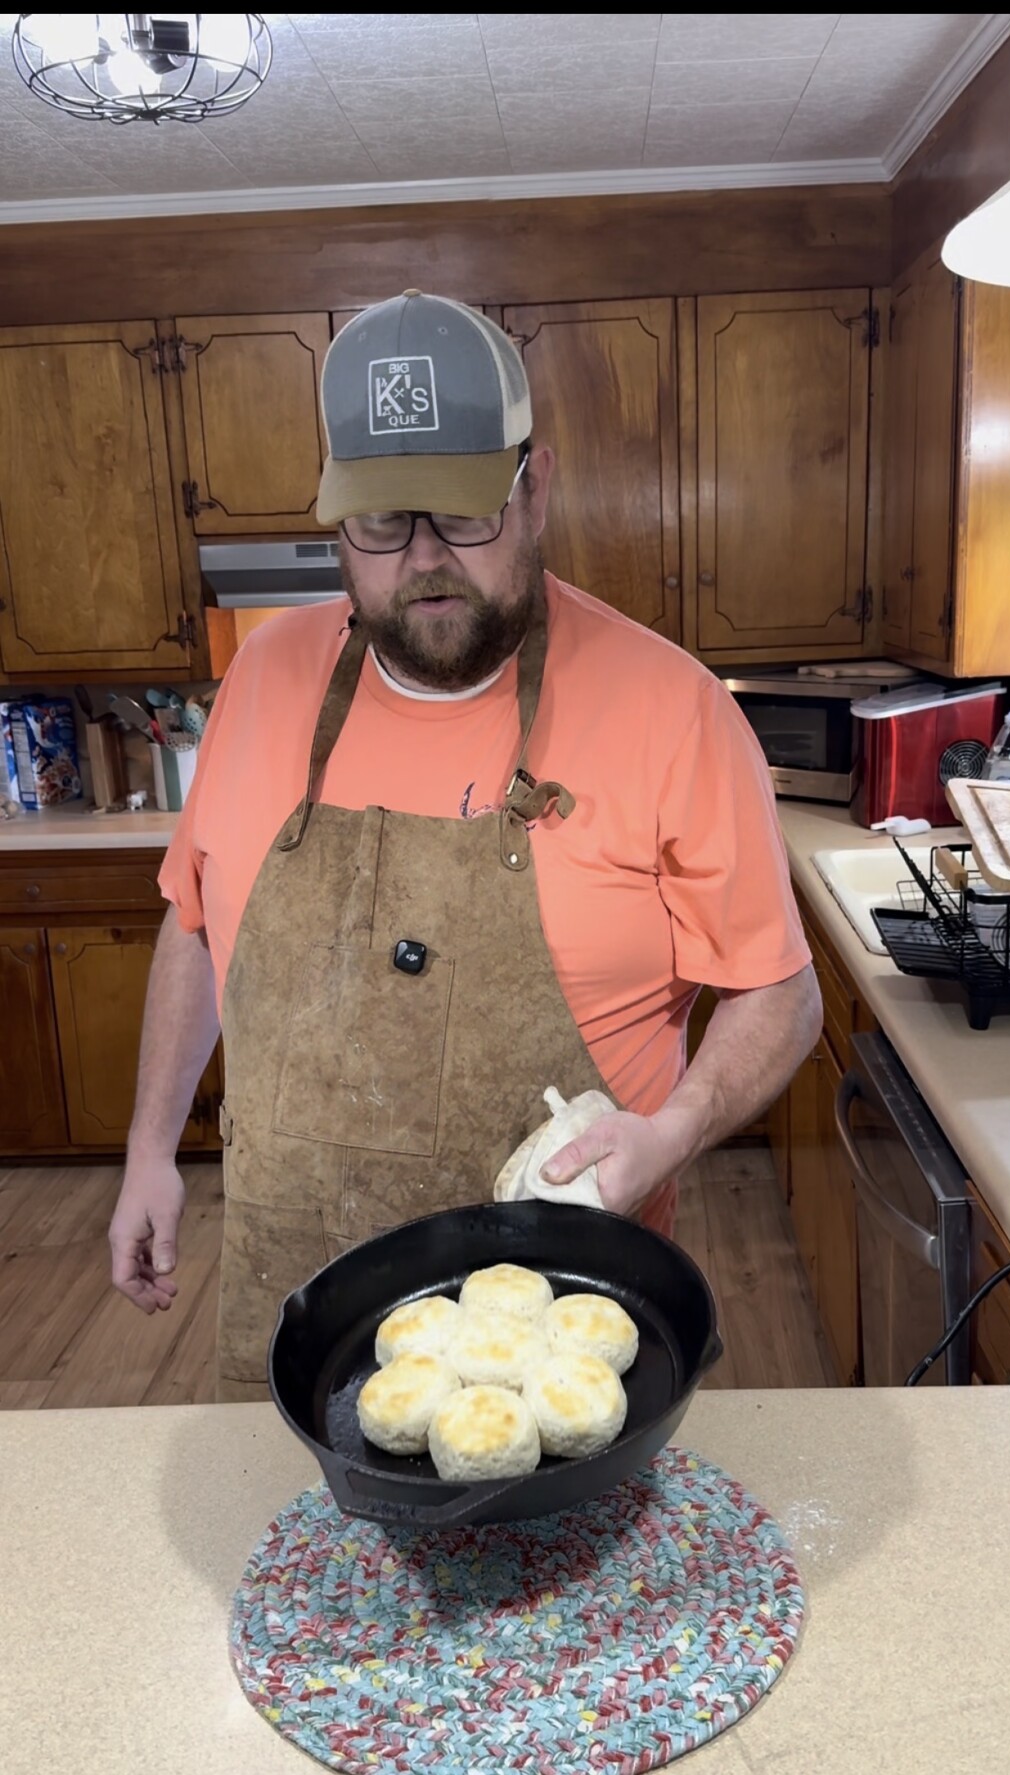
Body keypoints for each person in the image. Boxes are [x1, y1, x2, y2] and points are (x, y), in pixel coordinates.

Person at [108, 290, 821, 1400]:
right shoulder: (259, 682)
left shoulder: (671, 709)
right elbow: (197, 927)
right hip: (305, 1314)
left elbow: (781, 993)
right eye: (382, 524)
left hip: (563, 1329)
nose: (426, 561)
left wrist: (673, 1133)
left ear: (535, 487)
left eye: (464, 514)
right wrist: (151, 1149)